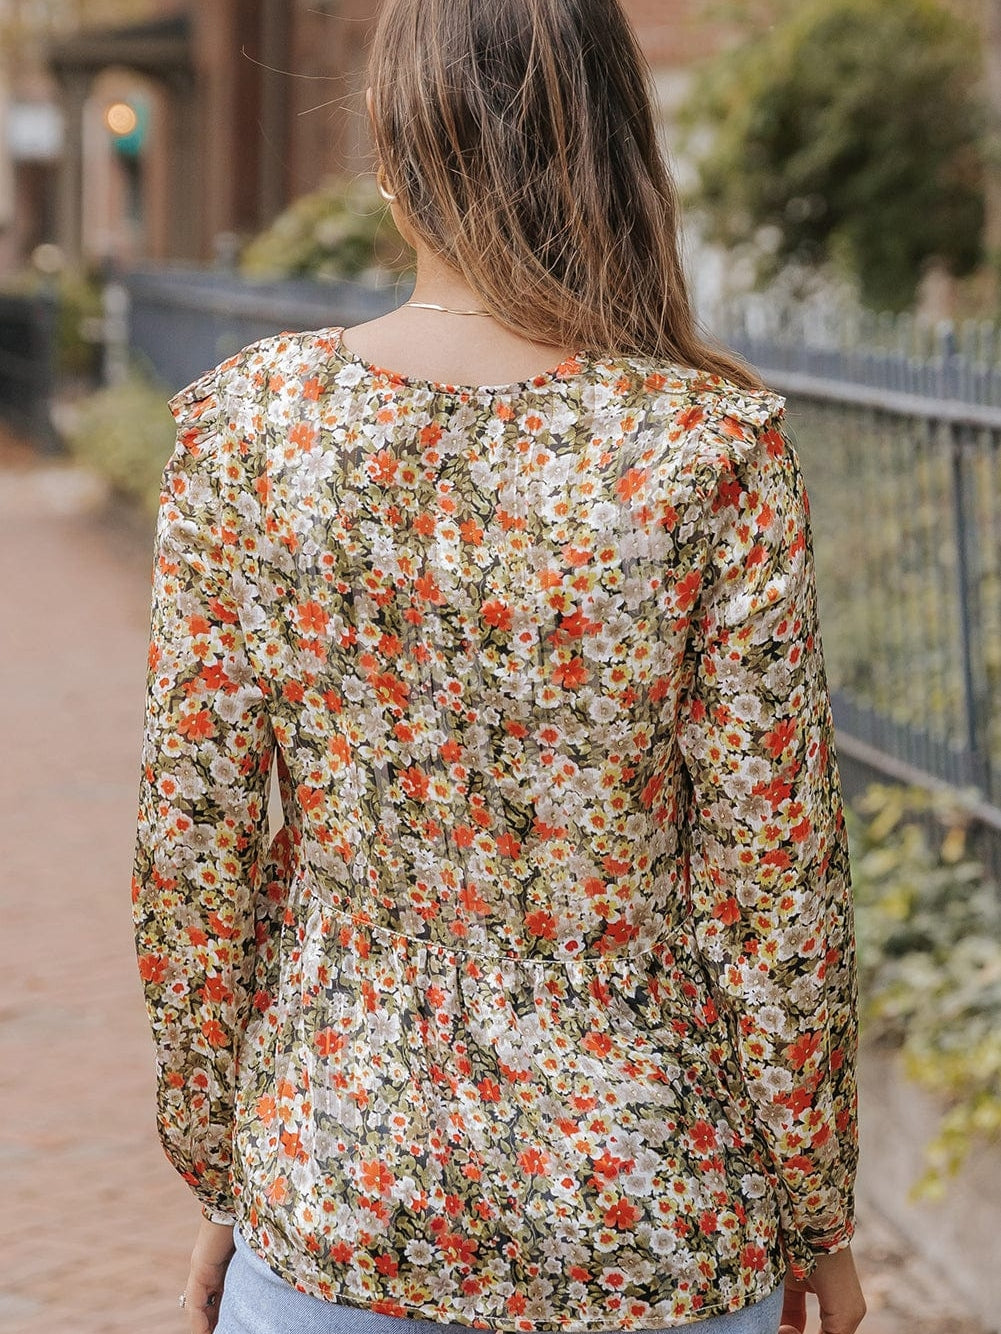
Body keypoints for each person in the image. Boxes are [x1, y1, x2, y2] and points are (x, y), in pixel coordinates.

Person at [132, 2, 866, 1333]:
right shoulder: (703, 451)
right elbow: (772, 885)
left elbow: (193, 859)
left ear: (387, 144)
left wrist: (230, 1179)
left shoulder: (249, 433)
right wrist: (816, 1211)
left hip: (338, 1188)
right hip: (659, 1211)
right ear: (613, 148)